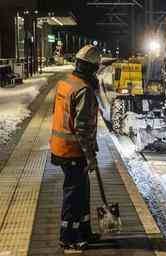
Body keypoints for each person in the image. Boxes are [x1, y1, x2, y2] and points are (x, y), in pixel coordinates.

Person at [50, 44, 101, 250]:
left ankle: (83, 231)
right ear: (92, 69)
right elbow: (82, 128)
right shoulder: (84, 90)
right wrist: (90, 157)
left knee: (83, 191)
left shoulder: (66, 83)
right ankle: (68, 237)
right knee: (74, 195)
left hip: (60, 146)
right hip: (73, 151)